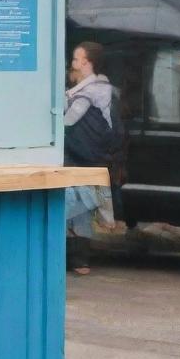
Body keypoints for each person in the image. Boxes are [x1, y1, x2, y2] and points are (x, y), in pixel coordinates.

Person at [64, 41, 121, 275]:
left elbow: (67, 121)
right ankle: (80, 260)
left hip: (81, 156)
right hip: (94, 156)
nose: (73, 63)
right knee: (82, 205)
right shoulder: (104, 88)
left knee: (74, 202)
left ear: (87, 63)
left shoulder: (88, 93)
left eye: (76, 59)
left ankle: (77, 259)